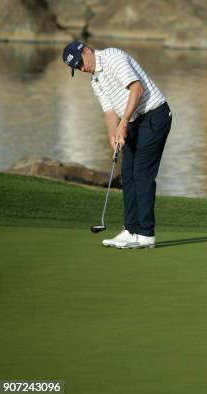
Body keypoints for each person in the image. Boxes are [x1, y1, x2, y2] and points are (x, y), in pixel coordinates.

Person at [62, 42, 172, 249]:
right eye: (76, 68)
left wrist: (123, 123)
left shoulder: (113, 57)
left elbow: (136, 89)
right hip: (133, 122)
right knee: (128, 175)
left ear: (86, 50)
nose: (81, 69)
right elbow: (110, 112)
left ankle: (146, 233)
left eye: (80, 63)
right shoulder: (96, 81)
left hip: (155, 116)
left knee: (142, 174)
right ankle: (130, 229)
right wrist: (112, 133)